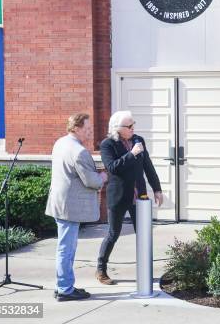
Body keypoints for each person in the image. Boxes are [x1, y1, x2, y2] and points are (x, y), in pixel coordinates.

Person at [45, 113, 108, 301]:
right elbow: (91, 181)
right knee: (66, 248)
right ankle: (64, 289)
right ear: (76, 128)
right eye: (87, 128)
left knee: (65, 247)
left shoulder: (60, 143)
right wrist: (103, 177)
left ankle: (64, 285)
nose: (90, 131)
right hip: (69, 207)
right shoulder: (79, 151)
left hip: (60, 203)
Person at [96, 110, 163, 284]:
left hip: (139, 195)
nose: (133, 128)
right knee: (113, 233)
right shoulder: (107, 144)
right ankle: (101, 269)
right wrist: (131, 154)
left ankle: (145, 270)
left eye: (134, 124)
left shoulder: (138, 140)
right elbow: (112, 168)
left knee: (143, 232)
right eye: (129, 126)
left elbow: (147, 165)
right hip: (118, 196)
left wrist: (157, 188)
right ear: (118, 128)